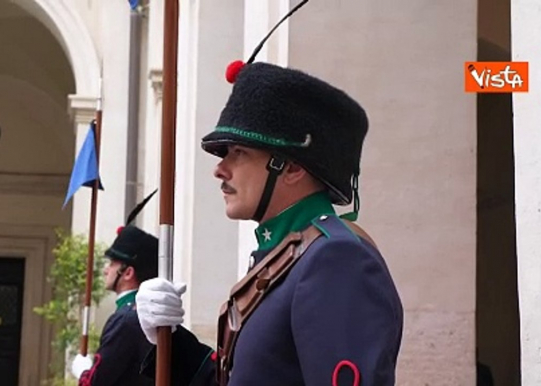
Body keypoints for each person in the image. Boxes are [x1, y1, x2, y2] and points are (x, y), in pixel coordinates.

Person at [134, 2, 403, 385]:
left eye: (238, 153)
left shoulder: (335, 260)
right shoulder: (287, 257)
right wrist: (168, 341)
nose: (220, 168)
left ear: (292, 167)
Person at [71, 193, 159, 386]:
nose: (105, 270)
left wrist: (83, 370)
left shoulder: (125, 319)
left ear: (127, 273)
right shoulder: (146, 312)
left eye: (111, 264)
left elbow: (97, 382)